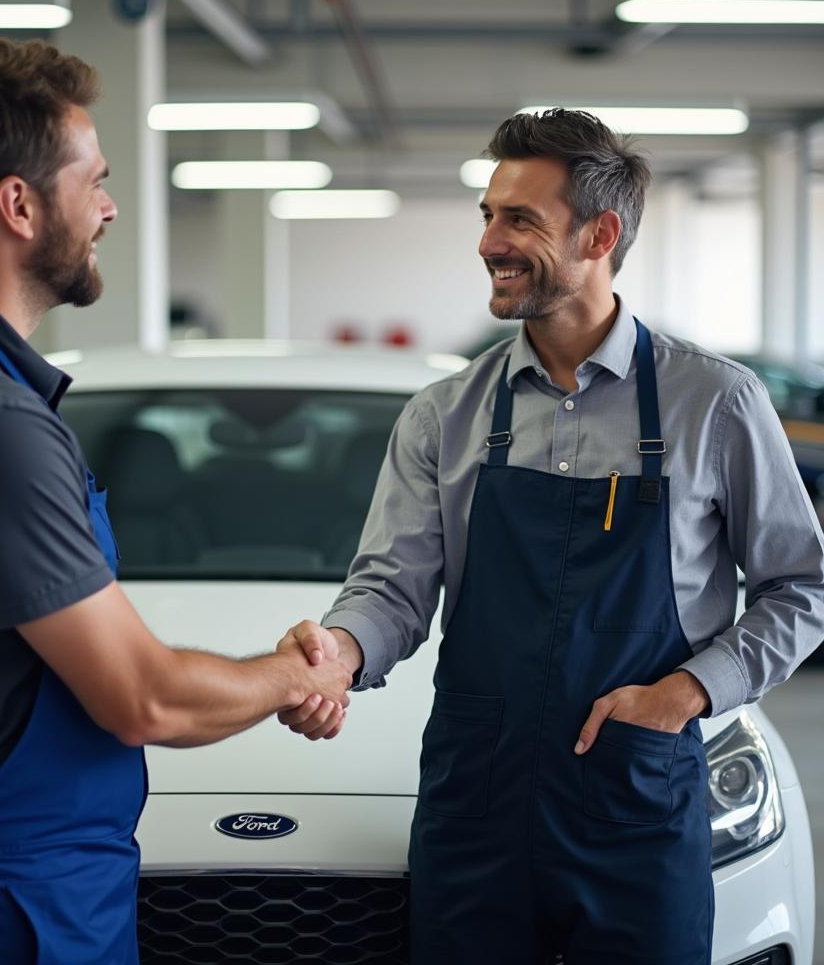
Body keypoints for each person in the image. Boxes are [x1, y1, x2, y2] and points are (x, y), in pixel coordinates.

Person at [0, 37, 350, 965]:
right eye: (92, 181)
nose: (108, 207)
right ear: (17, 205)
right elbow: (141, 699)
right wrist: (294, 673)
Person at [279, 108, 824, 964]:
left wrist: (687, 692)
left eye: (519, 219)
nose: (489, 240)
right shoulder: (444, 415)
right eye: (488, 215)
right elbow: (392, 588)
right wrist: (338, 655)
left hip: (636, 807)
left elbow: (805, 586)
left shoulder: (713, 403)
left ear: (600, 234)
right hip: (476, 814)